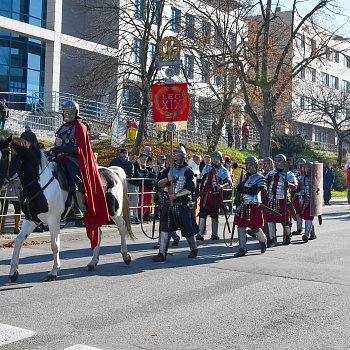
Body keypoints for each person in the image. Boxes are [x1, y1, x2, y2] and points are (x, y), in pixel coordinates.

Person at [52, 100, 109, 249]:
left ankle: (79, 207)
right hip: (60, 157)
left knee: (74, 178)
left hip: (74, 160)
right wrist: (54, 150)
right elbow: (58, 143)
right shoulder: (62, 127)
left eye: (71, 112)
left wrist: (64, 150)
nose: (68, 114)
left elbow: (81, 149)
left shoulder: (80, 127)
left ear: (76, 113)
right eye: (65, 111)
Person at [152, 145, 199, 262]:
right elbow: (158, 184)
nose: (176, 156)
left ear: (183, 157)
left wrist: (176, 195)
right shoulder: (168, 170)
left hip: (182, 203)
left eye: (178, 155)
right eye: (175, 154)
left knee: (187, 228)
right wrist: (167, 179)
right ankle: (162, 253)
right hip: (168, 203)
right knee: (164, 227)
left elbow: (191, 188)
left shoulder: (188, 171)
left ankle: (193, 249)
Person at [234, 156, 268, 257]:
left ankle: (263, 239)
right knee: (240, 225)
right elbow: (239, 193)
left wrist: (242, 188)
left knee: (254, 227)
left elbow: (254, 191)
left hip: (254, 205)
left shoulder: (260, 178)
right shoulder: (242, 177)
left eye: (252, 164)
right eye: (248, 164)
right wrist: (237, 200)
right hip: (243, 205)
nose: (249, 166)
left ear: (256, 165)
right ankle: (242, 248)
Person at [196, 150, 232, 241]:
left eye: (216, 158)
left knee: (214, 215)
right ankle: (200, 233)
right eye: (213, 158)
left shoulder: (224, 171)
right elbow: (201, 180)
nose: (214, 160)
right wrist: (200, 190)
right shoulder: (207, 168)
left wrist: (222, 186)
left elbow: (229, 183)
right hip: (206, 195)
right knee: (203, 213)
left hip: (216, 195)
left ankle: (214, 234)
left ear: (220, 159)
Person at [265, 154, 297, 246]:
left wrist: (289, 184)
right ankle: (271, 239)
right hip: (271, 200)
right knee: (270, 220)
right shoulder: (271, 173)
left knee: (285, 221)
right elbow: (263, 182)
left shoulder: (289, 174)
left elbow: (295, 186)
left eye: (279, 161)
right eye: (276, 161)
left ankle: (287, 235)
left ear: (283, 162)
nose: (277, 163)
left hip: (283, 199)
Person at [296, 162, 318, 243]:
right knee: (305, 216)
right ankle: (313, 234)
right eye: (305, 168)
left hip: (311, 200)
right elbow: (296, 189)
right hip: (302, 200)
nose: (307, 169)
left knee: (309, 217)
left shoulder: (315, 178)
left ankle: (306, 234)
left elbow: (318, 190)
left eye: (309, 168)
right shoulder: (300, 178)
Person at [291, 158, 306, 235]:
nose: (300, 166)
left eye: (302, 165)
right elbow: (293, 183)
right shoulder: (294, 173)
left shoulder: (309, 172)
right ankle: (299, 229)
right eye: (299, 164)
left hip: (306, 196)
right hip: (297, 195)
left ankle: (310, 232)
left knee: (307, 214)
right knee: (297, 212)